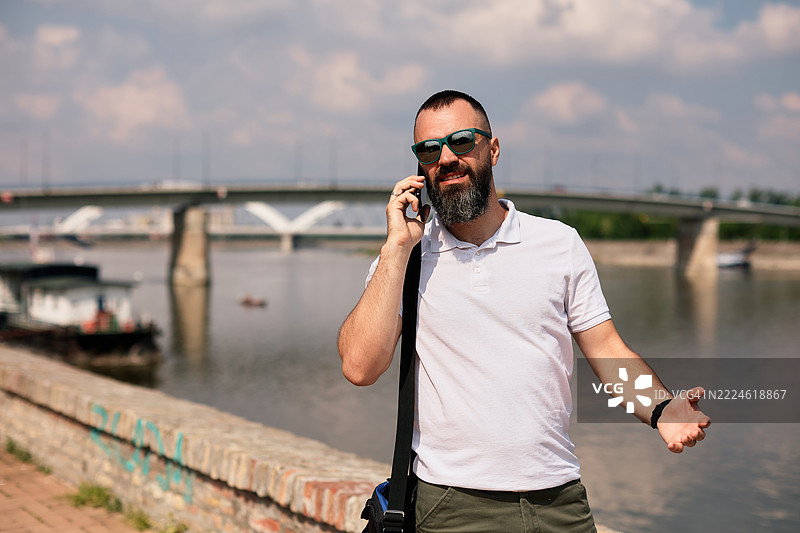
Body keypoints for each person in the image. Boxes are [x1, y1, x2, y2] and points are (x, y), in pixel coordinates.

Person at [338, 90, 711, 532]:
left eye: (461, 141)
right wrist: (397, 246)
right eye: (429, 149)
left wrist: (662, 409)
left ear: (491, 149)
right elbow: (360, 367)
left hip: (560, 503)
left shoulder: (559, 244)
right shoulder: (408, 258)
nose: (446, 158)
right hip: (450, 507)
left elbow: (606, 348)